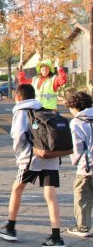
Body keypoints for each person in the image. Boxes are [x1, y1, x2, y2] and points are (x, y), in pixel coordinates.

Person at [0, 84, 64, 247]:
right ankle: (56, 237)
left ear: (18, 97)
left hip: (31, 158)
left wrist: (19, 154)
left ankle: (11, 227)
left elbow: (18, 135)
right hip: (51, 157)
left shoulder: (21, 111)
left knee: (17, 189)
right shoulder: (45, 109)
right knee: (51, 197)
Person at [66, 91, 93, 237]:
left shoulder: (77, 122)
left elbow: (77, 148)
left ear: (74, 106)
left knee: (82, 197)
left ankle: (83, 227)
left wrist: (75, 161)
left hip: (87, 168)